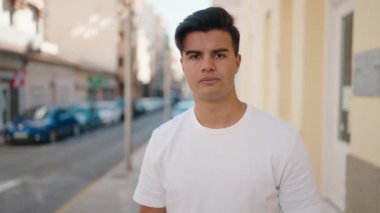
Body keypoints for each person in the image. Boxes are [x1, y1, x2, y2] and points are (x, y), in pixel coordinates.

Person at [133, 7, 322, 213]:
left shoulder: (284, 140)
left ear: (237, 62)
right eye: (195, 56)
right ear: (183, 65)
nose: (207, 65)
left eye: (219, 55)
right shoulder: (162, 140)